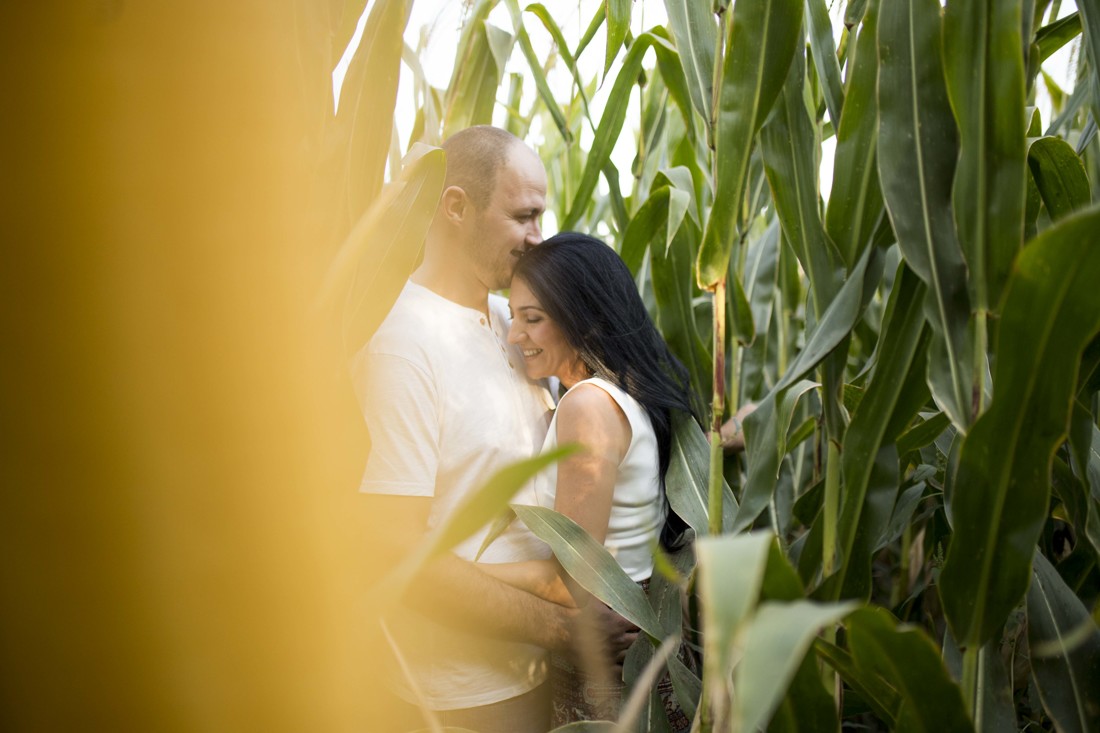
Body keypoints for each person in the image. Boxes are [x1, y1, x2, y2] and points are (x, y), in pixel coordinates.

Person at [355, 127, 637, 733]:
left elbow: (608, 415)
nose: (540, 238)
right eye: (524, 216)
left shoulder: (517, 322)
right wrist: (564, 630)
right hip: (462, 697)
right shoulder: (400, 345)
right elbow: (399, 553)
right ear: (455, 206)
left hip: (547, 679)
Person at [482, 232, 699, 729]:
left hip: (606, 655)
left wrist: (453, 570)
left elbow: (575, 583)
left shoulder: (587, 406)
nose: (516, 335)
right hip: (644, 633)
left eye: (532, 318)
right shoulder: (628, 394)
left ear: (584, 315)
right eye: (513, 316)